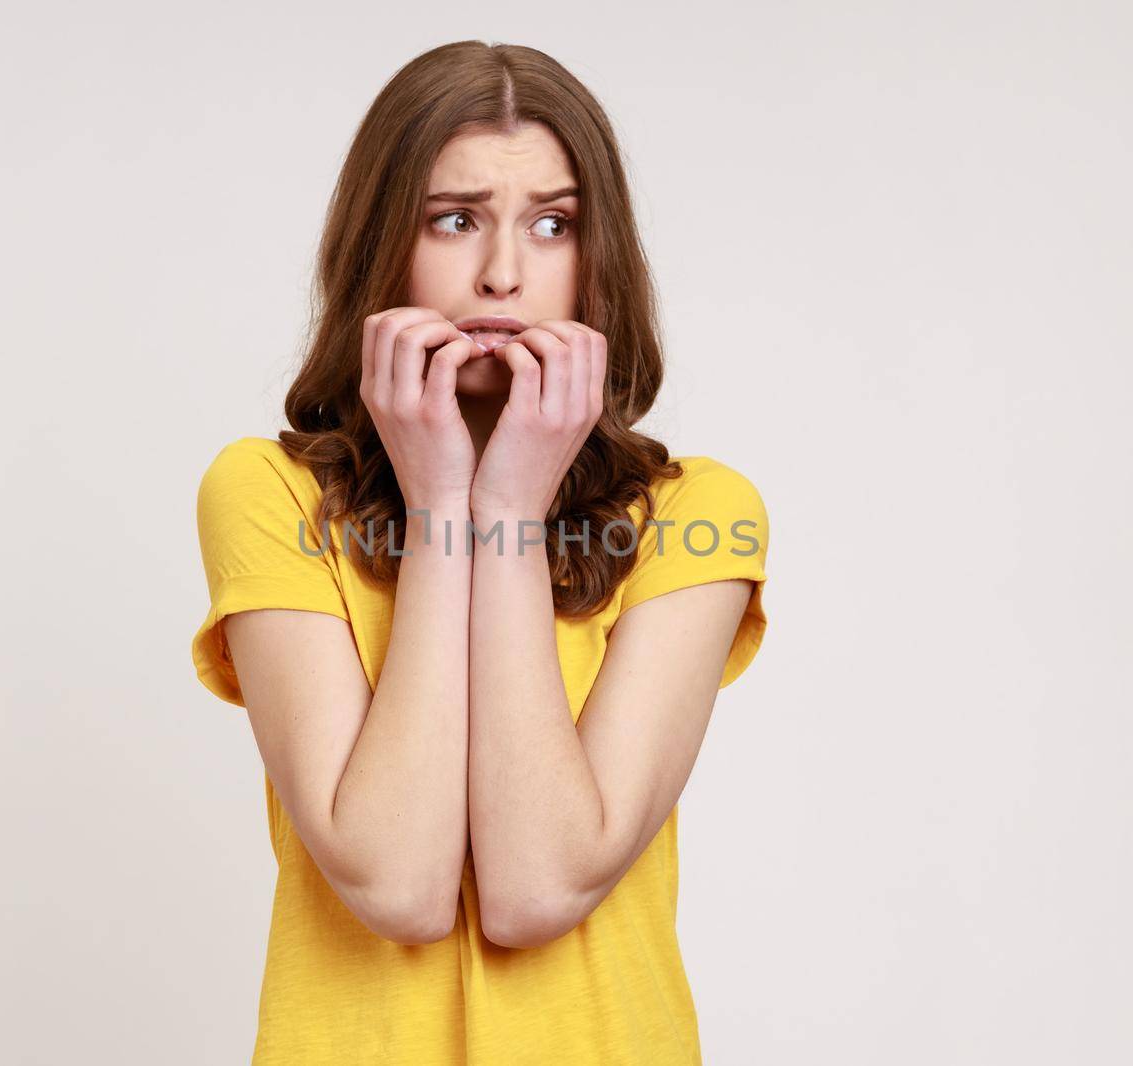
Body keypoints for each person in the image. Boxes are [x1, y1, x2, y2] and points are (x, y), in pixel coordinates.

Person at [191, 40, 769, 1066]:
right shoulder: (268, 494)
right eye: (454, 220)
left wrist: (503, 496)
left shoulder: (695, 515)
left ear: (600, 259)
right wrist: (443, 499)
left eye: (554, 225)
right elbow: (397, 884)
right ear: (384, 245)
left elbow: (537, 886)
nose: (504, 271)